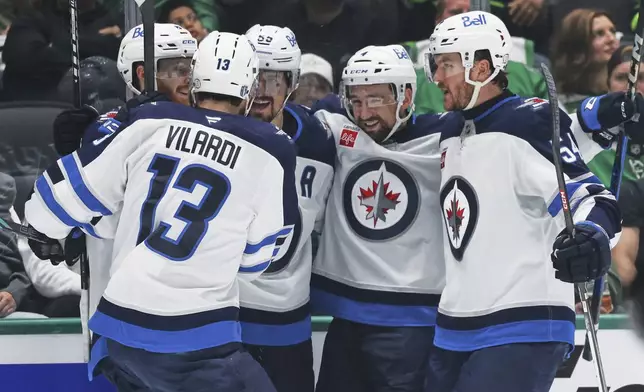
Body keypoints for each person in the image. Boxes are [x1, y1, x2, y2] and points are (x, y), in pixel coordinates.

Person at [24, 30, 296, 392]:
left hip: (119, 333)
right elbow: (259, 261)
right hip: (194, 341)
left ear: (195, 81)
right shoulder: (270, 150)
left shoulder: (145, 121)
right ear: (248, 90)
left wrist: (52, 230)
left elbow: (52, 203)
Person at [424, 11, 621, 391]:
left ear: (479, 69)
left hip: (521, 323)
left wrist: (592, 235)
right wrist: (596, 118)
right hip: (454, 326)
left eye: (446, 65)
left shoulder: (528, 122)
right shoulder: (451, 129)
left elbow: (591, 198)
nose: (436, 78)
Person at [310, 44, 460, 392]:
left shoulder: (445, 136)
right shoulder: (337, 127)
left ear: (406, 95)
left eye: (376, 99)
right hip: (346, 318)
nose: (364, 113)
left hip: (413, 326)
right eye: (356, 101)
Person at [243, 24, 335, 392]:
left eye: (274, 80)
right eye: (254, 78)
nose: (262, 91)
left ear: (293, 83)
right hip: (219, 321)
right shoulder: (214, 131)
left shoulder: (317, 140)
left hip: (288, 325)